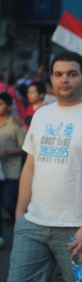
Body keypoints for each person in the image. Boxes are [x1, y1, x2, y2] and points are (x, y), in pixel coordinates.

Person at [7, 51, 82, 282]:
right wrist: (20, 216)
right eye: (58, 74)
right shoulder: (41, 115)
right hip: (33, 225)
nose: (64, 79)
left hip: (76, 228)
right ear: (51, 79)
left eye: (72, 74)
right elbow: (29, 167)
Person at [0, 93, 25, 249]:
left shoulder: (15, 123)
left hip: (10, 170)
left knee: (9, 203)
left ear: (8, 106)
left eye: (1, 104)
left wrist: (6, 152)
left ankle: (22, 229)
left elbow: (24, 147)